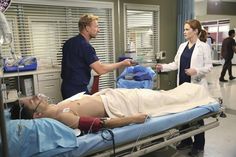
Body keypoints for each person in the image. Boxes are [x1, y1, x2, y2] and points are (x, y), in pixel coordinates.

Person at [10, 83, 216, 134]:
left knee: (163, 95)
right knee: (167, 99)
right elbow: (101, 124)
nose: (35, 96)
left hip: (119, 96)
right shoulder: (63, 118)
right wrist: (132, 119)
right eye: (30, 100)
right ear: (36, 115)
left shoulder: (56, 107)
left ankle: (195, 91)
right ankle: (200, 94)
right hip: (127, 105)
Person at [156, 19, 213, 156]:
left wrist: (196, 71)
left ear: (196, 31)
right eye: (184, 29)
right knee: (184, 114)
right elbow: (176, 64)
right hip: (182, 85)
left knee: (196, 116)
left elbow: (209, 66)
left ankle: (199, 145)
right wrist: (163, 67)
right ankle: (186, 140)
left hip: (195, 86)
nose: (184, 32)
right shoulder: (182, 46)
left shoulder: (203, 47)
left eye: (187, 29)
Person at [61, 14, 133, 99]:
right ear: (87, 28)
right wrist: (122, 63)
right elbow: (100, 69)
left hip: (66, 88)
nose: (98, 30)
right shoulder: (85, 46)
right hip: (77, 91)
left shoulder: (69, 42)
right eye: (96, 27)